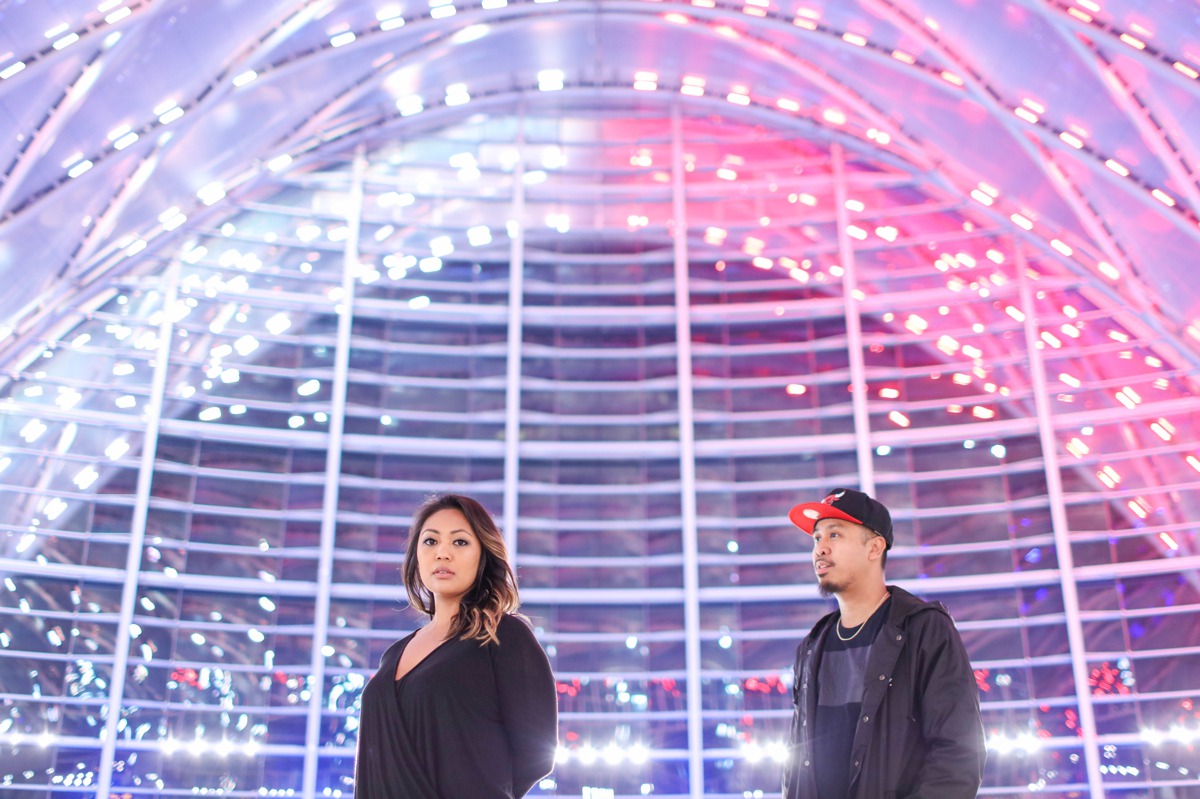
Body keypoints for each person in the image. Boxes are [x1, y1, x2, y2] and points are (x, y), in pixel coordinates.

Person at [781, 487, 986, 799]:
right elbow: (797, 759)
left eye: (834, 535)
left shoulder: (924, 628)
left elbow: (958, 753)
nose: (820, 549)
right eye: (816, 538)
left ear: (874, 547)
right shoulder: (812, 646)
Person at [355, 493, 558, 798]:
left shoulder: (504, 635)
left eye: (460, 542)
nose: (443, 553)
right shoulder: (392, 655)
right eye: (430, 541)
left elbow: (536, 753)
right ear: (416, 556)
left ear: (483, 556)